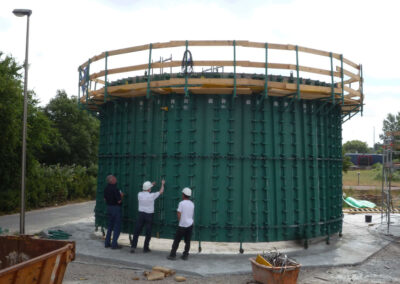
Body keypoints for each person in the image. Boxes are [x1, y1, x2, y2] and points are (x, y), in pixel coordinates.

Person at [131, 179, 165, 253]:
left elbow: (146, 189)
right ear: (149, 189)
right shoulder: (152, 196)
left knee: (137, 231)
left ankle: (133, 246)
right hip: (149, 215)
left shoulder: (139, 194)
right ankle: (145, 248)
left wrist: (151, 185)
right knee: (148, 232)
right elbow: (161, 191)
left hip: (141, 214)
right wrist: (162, 184)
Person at [167, 187, 194, 260]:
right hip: (190, 224)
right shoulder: (192, 204)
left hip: (182, 225)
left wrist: (180, 220)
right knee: (187, 241)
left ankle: (172, 255)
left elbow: (179, 213)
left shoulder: (181, 203)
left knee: (177, 240)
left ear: (183, 195)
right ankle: (185, 255)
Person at [103, 175, 123, 249]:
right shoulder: (115, 189)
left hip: (109, 208)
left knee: (110, 226)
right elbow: (119, 201)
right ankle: (114, 244)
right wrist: (121, 196)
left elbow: (105, 199)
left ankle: (107, 243)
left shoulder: (106, 189)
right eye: (115, 178)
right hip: (116, 208)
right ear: (112, 180)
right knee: (117, 226)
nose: (116, 178)